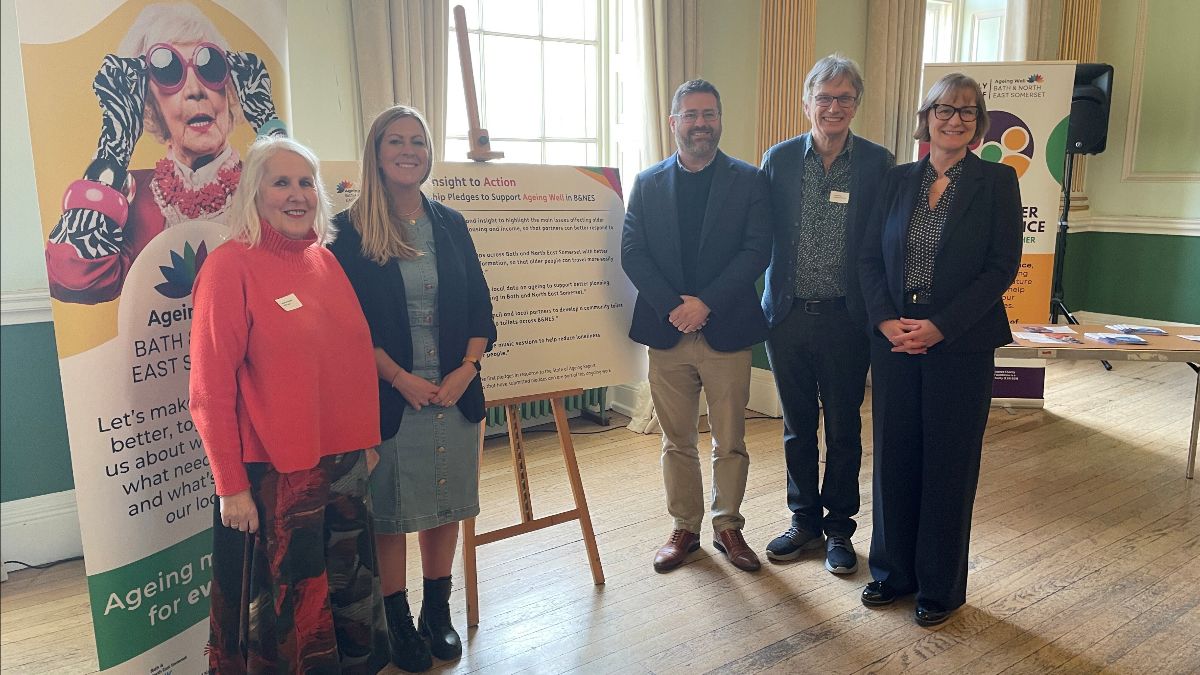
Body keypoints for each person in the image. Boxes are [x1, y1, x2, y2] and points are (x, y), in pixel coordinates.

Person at [189, 136, 389, 672]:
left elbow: (348, 363)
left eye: (306, 182)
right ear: (255, 194)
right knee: (290, 626)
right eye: (281, 182)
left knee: (347, 603)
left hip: (345, 467)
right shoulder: (229, 268)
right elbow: (209, 391)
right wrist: (230, 486)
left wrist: (365, 445)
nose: (296, 194)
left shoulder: (323, 260)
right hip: (275, 478)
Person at [329, 105, 496, 673]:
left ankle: (437, 612)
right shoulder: (347, 231)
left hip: (453, 394)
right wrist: (400, 378)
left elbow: (480, 308)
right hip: (388, 396)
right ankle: (396, 619)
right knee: (393, 513)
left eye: (418, 142)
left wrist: (464, 371)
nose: (408, 150)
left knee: (444, 504)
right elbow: (347, 328)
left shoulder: (451, 222)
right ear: (376, 152)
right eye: (396, 141)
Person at [857, 73, 1022, 626]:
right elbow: (867, 259)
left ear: (979, 124)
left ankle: (939, 586)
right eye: (945, 109)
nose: (955, 120)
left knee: (949, 465)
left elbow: (999, 269)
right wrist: (884, 321)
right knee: (894, 457)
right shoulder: (895, 179)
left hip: (961, 345)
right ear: (926, 117)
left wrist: (940, 327)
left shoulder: (997, 182)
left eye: (968, 112)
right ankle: (892, 574)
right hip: (894, 343)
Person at [621, 80, 772, 574]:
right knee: (676, 439)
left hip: (726, 331)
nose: (700, 123)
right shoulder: (647, 183)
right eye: (690, 115)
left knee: (729, 440)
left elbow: (756, 252)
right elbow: (633, 253)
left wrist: (705, 303)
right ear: (673, 123)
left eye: (708, 114)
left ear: (720, 120)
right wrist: (675, 307)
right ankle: (685, 526)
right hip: (668, 333)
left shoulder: (749, 181)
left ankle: (728, 525)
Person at [46, 2, 286, 305]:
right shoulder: (130, 197)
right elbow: (77, 278)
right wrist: (115, 142)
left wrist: (268, 123)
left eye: (211, 66)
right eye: (167, 70)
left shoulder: (264, 185)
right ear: (146, 101)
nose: (195, 90)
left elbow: (305, 241)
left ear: (231, 88)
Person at [759, 55, 894, 574]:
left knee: (842, 427)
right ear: (807, 102)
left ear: (856, 104)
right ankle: (804, 522)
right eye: (824, 97)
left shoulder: (877, 164)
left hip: (846, 318)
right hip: (787, 317)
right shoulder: (780, 159)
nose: (833, 107)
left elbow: (885, 243)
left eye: (844, 98)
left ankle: (839, 528)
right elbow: (759, 234)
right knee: (796, 427)